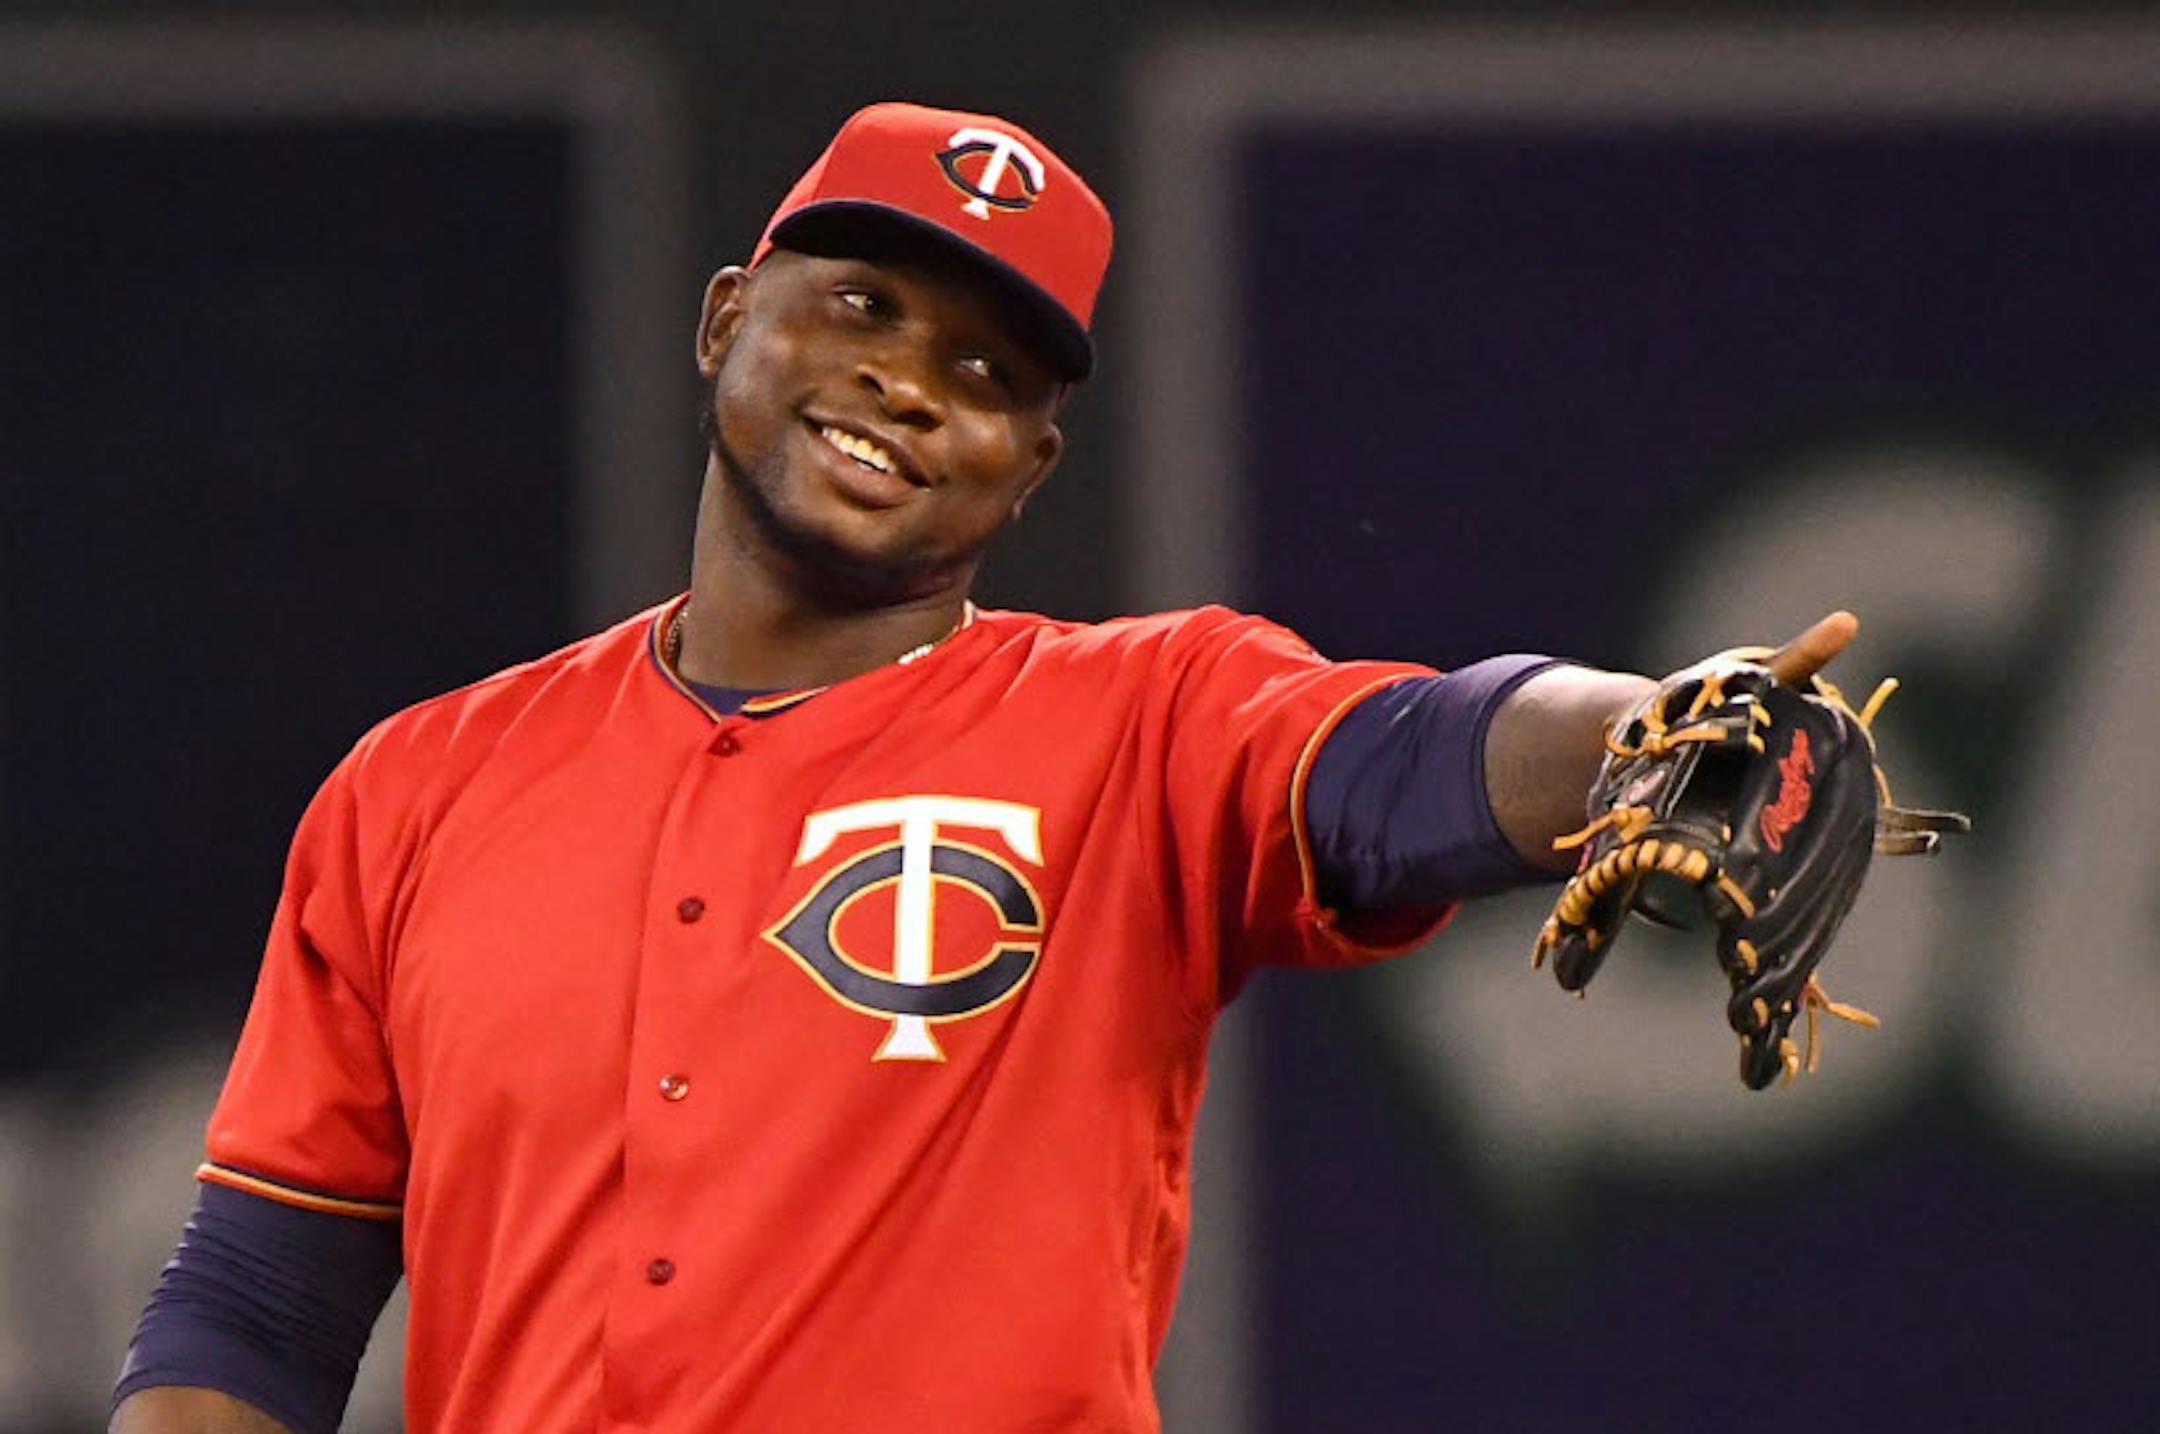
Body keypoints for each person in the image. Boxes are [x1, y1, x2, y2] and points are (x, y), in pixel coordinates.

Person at [110, 101, 1858, 1433]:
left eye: (984, 369)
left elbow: (1400, 760)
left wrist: (1643, 727)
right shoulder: (421, 787)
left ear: (1030, 465)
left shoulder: (1141, 722)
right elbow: (263, 1295)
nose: (908, 383)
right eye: (859, 301)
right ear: (728, 315)